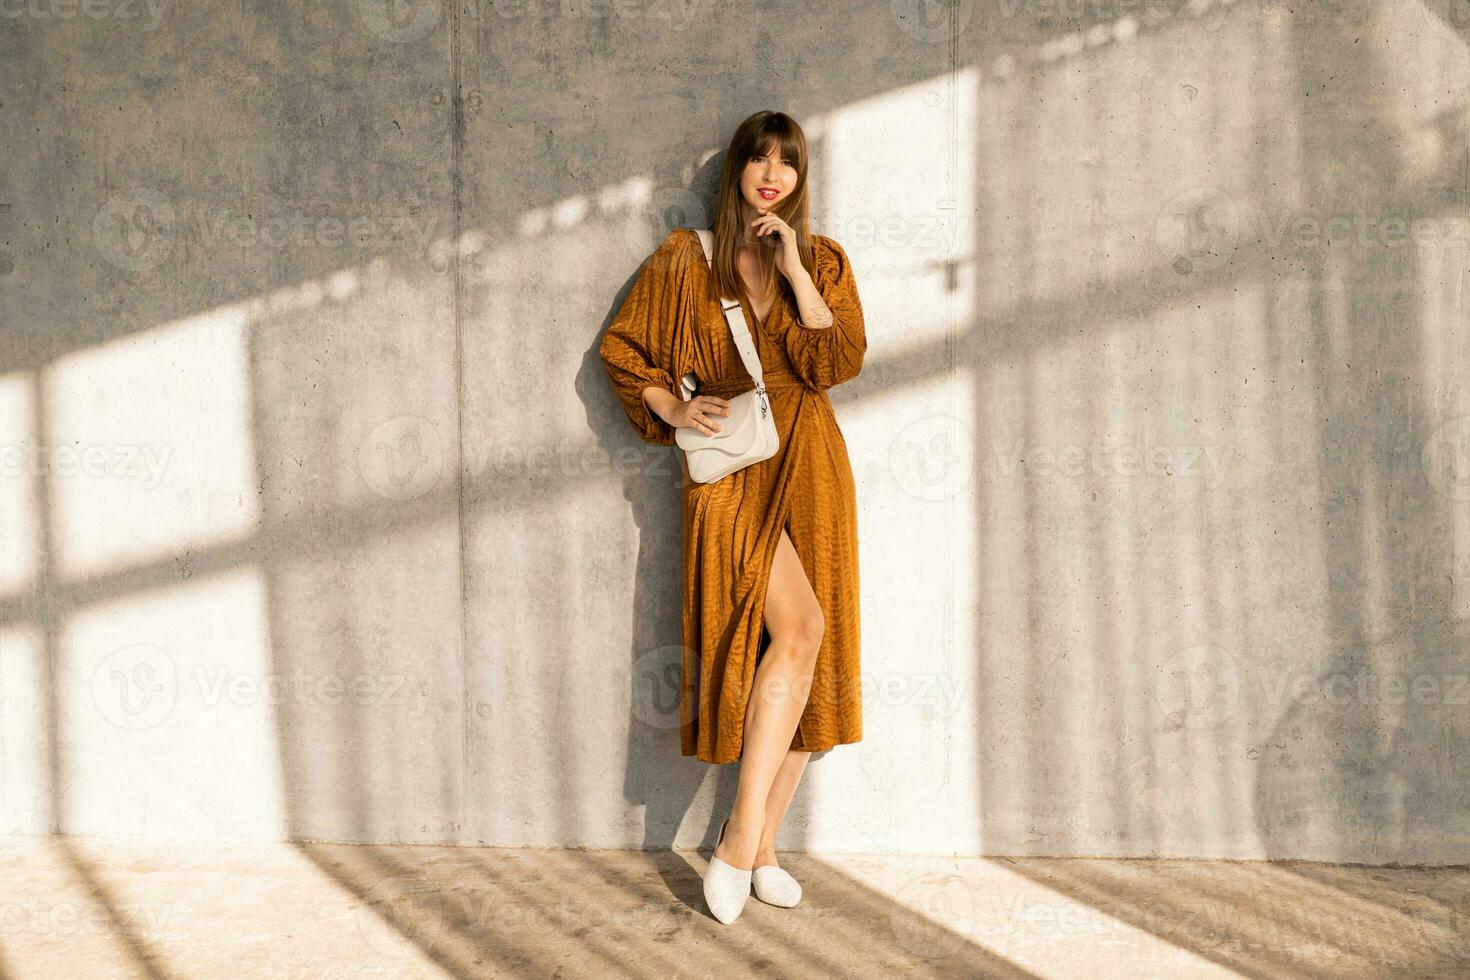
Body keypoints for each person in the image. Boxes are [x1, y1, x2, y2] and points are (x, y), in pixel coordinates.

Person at [599, 109, 867, 924]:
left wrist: (793, 271)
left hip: (811, 466)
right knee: (796, 631)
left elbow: (838, 360)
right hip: (731, 472)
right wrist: (671, 412)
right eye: (759, 158)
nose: (771, 175)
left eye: (787, 163)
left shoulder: (819, 260)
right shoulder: (688, 260)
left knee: (810, 645)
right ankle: (742, 840)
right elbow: (620, 351)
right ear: (738, 171)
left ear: (799, 179)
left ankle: (752, 841)